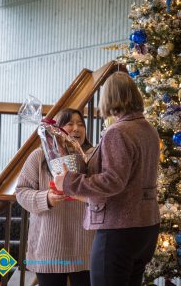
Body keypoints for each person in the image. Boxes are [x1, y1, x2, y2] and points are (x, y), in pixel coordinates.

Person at [54, 72, 160, 286]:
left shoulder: (118, 132)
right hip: (146, 227)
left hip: (119, 228)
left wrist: (68, 182)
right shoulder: (148, 130)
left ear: (109, 98)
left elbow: (113, 181)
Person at [16, 108, 94, 286]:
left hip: (86, 248)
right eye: (70, 124)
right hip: (49, 248)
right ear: (56, 129)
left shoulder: (93, 156)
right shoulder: (39, 156)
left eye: (81, 124)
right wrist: (46, 198)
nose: (76, 129)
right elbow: (21, 192)